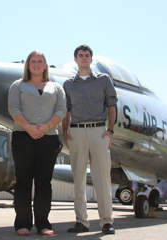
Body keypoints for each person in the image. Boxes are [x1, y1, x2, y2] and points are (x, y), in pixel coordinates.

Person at [8, 50, 66, 236]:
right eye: (32, 61)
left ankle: (43, 223)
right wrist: (29, 127)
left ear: (45, 65)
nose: (36, 64)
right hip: (23, 137)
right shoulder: (18, 85)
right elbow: (13, 107)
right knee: (23, 181)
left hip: (48, 139)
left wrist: (47, 127)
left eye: (40, 61)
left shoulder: (56, 87)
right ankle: (22, 223)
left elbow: (62, 109)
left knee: (44, 182)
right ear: (28, 65)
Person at [62, 44, 117, 234]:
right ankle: (81, 221)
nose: (84, 58)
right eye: (80, 55)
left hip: (99, 132)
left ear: (91, 59)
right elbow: (66, 110)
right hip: (76, 132)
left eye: (87, 55)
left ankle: (106, 222)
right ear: (75, 59)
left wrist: (110, 130)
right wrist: (65, 132)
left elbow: (111, 106)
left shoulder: (104, 80)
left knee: (102, 178)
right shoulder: (68, 84)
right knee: (78, 178)